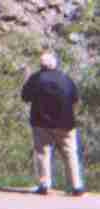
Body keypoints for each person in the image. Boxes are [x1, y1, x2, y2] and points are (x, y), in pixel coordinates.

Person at [21, 50, 84, 196]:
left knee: (43, 153)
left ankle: (44, 185)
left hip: (41, 122)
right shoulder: (65, 79)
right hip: (66, 123)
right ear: (55, 64)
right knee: (70, 153)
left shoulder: (36, 78)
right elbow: (75, 98)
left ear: (41, 65)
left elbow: (25, 97)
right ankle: (76, 186)